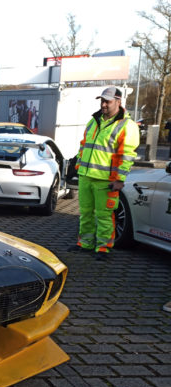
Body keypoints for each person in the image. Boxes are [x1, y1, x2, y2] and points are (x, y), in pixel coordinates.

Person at [68, 87, 140, 261]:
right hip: (86, 176)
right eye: (102, 100)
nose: (104, 104)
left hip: (106, 180)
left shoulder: (126, 126)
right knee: (85, 213)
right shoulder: (94, 121)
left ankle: (103, 248)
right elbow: (84, 145)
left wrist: (119, 180)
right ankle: (85, 244)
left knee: (104, 215)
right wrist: (77, 165)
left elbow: (127, 155)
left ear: (118, 102)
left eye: (107, 101)